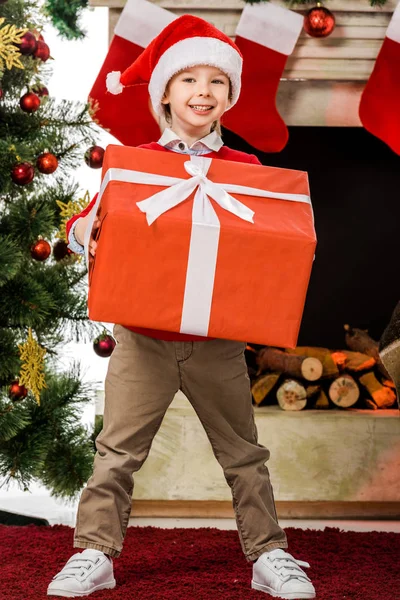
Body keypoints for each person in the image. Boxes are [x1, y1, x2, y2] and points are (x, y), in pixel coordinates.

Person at [47, 15, 316, 599]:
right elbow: (82, 228)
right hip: (142, 336)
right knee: (116, 452)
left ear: (230, 96)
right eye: (189, 79)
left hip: (218, 342)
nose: (202, 92)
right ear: (165, 91)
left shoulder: (248, 171)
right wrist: (86, 228)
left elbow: (272, 246)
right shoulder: (134, 162)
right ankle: (94, 554)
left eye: (216, 82)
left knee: (244, 453)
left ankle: (270, 555)